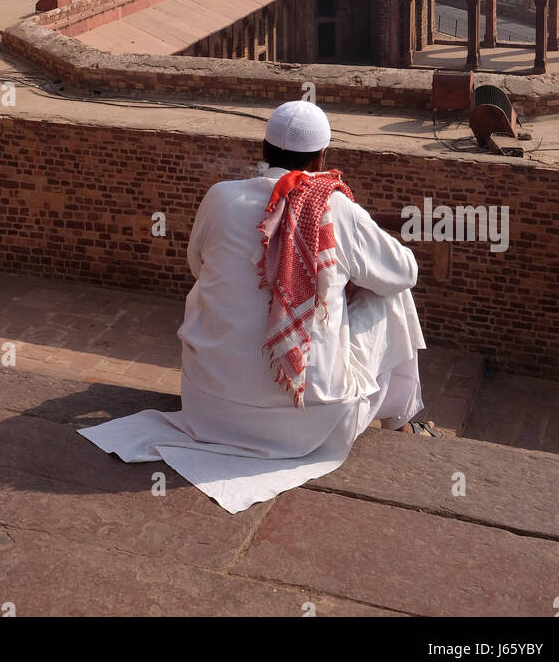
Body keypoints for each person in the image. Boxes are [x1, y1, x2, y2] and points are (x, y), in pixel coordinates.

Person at [80, 100, 433, 513]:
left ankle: (397, 414)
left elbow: (199, 266)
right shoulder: (335, 208)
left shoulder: (219, 197)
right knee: (392, 292)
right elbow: (404, 271)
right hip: (305, 426)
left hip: (207, 405)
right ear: (322, 157)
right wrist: (335, 279)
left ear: (264, 150)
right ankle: (402, 418)